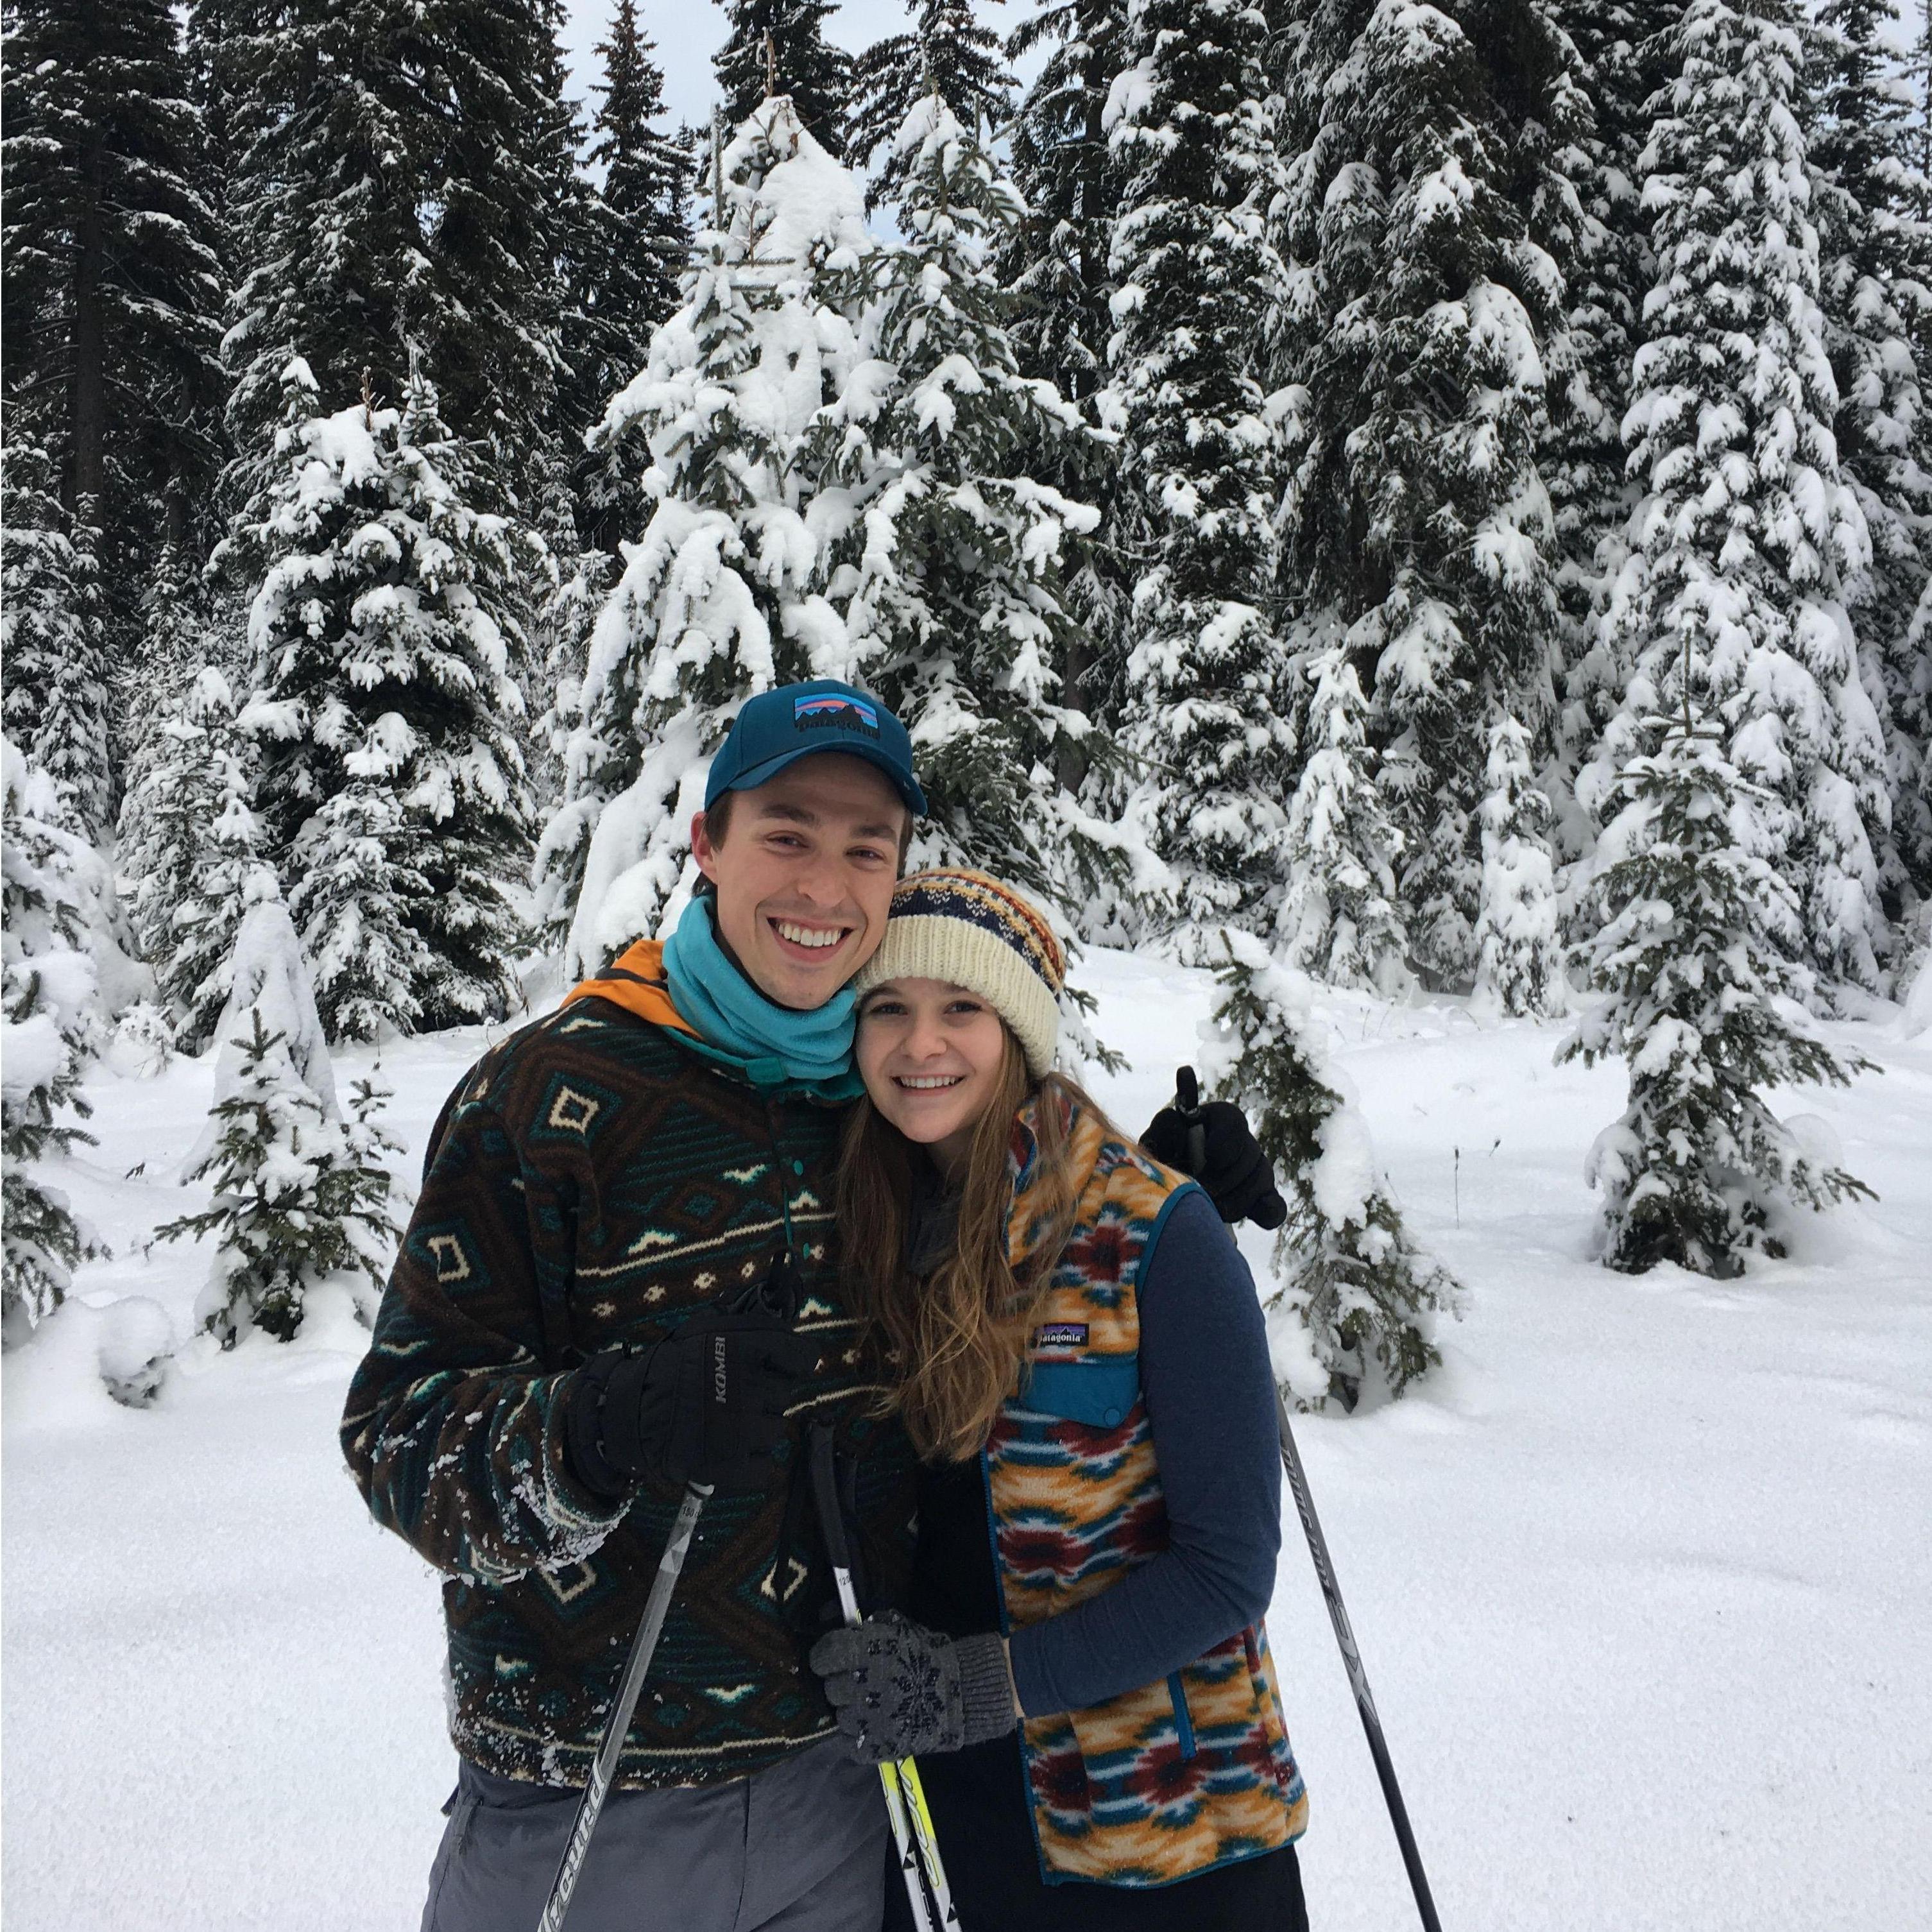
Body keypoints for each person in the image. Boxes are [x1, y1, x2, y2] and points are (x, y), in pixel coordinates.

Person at [341, 685, 1279, 1932]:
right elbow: (396, 1440)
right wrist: (596, 1431)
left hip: (855, 1803)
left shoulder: (881, 1101)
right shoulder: (550, 1093)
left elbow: (1003, 1183)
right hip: (594, 1800)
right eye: (788, 833)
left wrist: (1144, 1196)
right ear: (709, 842)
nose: (825, 886)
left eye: (865, 848)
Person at [811, 869, 1312, 1930]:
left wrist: (978, 1688)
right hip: (949, 1818)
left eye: (963, 1009)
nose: (920, 1045)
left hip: (1166, 1835)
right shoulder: (867, 1229)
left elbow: (1227, 1571)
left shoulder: (1153, 1238)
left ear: (1022, 1033)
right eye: (888, 1009)